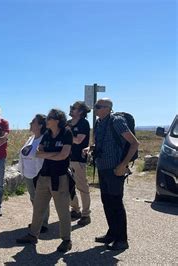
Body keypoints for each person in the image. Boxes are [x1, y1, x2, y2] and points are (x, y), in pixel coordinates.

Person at [83, 98, 139, 251]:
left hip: (115, 169)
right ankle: (112, 234)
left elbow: (135, 143)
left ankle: (122, 240)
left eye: (98, 106)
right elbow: (100, 143)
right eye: (95, 106)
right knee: (107, 202)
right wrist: (91, 148)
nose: (95, 108)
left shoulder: (117, 121)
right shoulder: (100, 123)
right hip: (103, 168)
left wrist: (123, 165)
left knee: (116, 204)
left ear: (108, 108)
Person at [16, 109, 74, 253]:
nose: (46, 120)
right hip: (44, 176)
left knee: (62, 210)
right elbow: (37, 153)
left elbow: (64, 155)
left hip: (59, 178)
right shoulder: (47, 134)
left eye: (49, 118)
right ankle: (33, 235)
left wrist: (48, 154)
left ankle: (66, 240)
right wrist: (54, 154)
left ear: (57, 120)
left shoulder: (66, 133)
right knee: (38, 207)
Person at [17, 114, 49, 233]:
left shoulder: (45, 139)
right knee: (33, 198)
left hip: (39, 174)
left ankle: (43, 223)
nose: (30, 123)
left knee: (42, 199)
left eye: (33, 122)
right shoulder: (31, 138)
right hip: (28, 173)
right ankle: (37, 221)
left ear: (40, 125)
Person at [67, 101, 92, 226]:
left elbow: (78, 140)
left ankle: (86, 214)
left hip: (78, 159)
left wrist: (65, 135)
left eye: (74, 108)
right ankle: (75, 209)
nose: (71, 109)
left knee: (82, 187)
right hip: (66, 158)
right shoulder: (68, 123)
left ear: (81, 111)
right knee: (68, 185)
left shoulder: (83, 123)